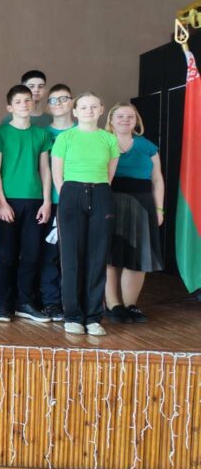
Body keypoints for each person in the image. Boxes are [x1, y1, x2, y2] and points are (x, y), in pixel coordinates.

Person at [51, 92, 119, 336]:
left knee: (98, 257)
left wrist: (95, 190)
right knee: (71, 257)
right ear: (75, 111)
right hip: (71, 193)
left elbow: (110, 174)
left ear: (101, 110)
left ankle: (93, 317)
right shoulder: (65, 138)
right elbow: (57, 174)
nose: (89, 110)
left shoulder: (109, 139)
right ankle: (72, 316)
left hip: (101, 193)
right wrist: (70, 196)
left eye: (93, 106)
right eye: (83, 107)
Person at [0, 84, 52, 323]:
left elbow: (45, 169)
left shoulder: (41, 135)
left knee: (32, 254)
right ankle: (2, 304)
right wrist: (2, 203)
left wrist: (47, 202)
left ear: (33, 103)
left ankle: (24, 302)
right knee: (6, 254)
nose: (24, 105)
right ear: (10, 107)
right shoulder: (0, 133)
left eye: (27, 100)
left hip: (35, 201)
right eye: (18, 101)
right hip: (9, 201)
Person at [104, 103, 164, 324]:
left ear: (136, 121)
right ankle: (113, 305)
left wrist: (159, 209)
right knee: (109, 256)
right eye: (120, 116)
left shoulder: (147, 146)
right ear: (111, 120)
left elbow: (157, 180)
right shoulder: (103, 142)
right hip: (110, 201)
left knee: (139, 255)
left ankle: (131, 305)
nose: (125, 120)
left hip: (142, 203)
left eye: (130, 116)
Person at [40, 84, 76, 321]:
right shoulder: (43, 134)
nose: (59, 103)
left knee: (73, 254)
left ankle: (71, 301)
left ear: (72, 102)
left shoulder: (83, 131)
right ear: (47, 106)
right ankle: (51, 302)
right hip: (49, 202)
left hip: (77, 202)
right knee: (50, 254)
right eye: (53, 100)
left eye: (64, 98)